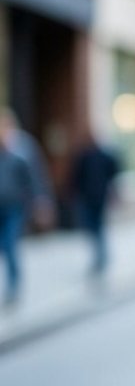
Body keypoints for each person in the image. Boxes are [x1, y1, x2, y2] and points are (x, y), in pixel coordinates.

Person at [70, 134, 121, 276]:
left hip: (98, 197)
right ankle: (99, 255)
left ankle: (102, 255)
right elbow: (76, 177)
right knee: (93, 228)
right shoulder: (84, 157)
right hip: (88, 198)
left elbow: (114, 172)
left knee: (98, 228)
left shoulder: (102, 156)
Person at [0, 108, 55, 230]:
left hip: (15, 204)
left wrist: (41, 200)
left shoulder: (23, 147)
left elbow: (35, 175)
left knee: (10, 239)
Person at [0, 133, 31, 305]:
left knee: (10, 245)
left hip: (13, 209)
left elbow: (31, 182)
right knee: (5, 246)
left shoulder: (18, 160)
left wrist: (39, 202)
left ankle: (13, 284)